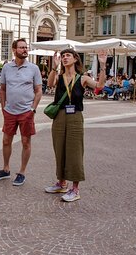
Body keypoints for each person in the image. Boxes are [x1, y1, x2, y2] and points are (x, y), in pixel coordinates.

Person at [44, 48, 107, 202]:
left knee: (75, 151)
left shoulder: (83, 78)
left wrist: (103, 66)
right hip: (59, 116)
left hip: (75, 117)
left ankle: (75, 189)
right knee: (59, 149)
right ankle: (61, 183)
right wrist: (54, 66)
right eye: (63, 56)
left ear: (75, 59)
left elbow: (100, 86)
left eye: (68, 56)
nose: (65, 58)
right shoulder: (59, 77)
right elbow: (50, 84)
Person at [0, 38, 42, 186]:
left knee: (26, 142)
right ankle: (5, 169)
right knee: (6, 140)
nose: (25, 50)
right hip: (10, 112)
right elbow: (3, 89)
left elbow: (38, 91)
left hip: (26, 111)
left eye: (26, 47)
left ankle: (22, 172)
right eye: (21, 47)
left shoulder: (34, 68)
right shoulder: (7, 68)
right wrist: (3, 108)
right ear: (14, 50)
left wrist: (33, 109)